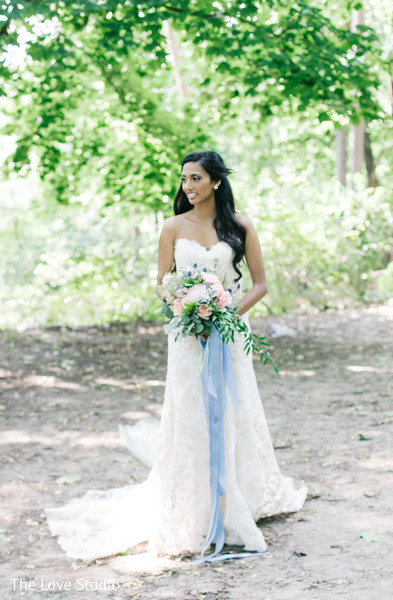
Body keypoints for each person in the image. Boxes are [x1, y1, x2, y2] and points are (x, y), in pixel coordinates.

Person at [45, 150, 306, 563]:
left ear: (216, 182)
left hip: (229, 334)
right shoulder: (171, 226)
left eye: (196, 178)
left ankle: (235, 500)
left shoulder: (240, 225)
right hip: (186, 339)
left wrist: (224, 316)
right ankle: (192, 507)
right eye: (185, 179)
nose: (188, 186)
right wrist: (188, 309)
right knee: (192, 412)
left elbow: (261, 284)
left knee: (232, 409)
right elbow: (162, 285)